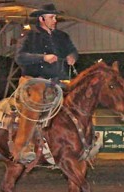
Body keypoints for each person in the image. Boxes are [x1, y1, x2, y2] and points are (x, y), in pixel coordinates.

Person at [12, 3, 78, 164]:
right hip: (34, 81)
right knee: (35, 103)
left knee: (79, 99)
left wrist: (72, 57)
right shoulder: (29, 36)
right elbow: (19, 57)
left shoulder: (62, 36)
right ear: (41, 19)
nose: (55, 20)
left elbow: (73, 50)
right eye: (52, 17)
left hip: (58, 81)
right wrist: (43, 58)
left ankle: (81, 142)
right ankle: (23, 146)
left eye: (55, 17)